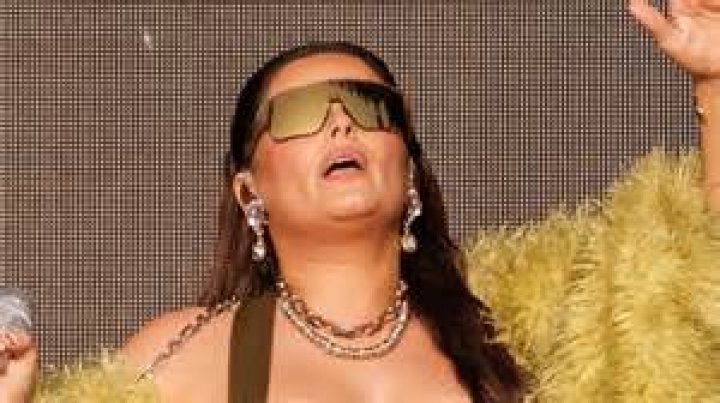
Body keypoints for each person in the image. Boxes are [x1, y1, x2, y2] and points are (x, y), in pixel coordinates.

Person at [1, 0, 719, 401]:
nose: (341, 124)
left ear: (409, 167)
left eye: (370, 106)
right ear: (249, 189)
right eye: (301, 113)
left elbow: (691, 270)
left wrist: (715, 84)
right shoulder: (183, 356)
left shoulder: (520, 320)